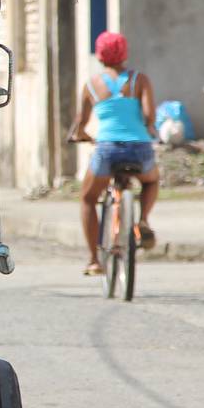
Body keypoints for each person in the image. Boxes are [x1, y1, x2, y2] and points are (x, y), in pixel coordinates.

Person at [70, 30, 160, 276]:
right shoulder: (139, 79)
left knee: (89, 198)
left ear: (100, 56)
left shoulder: (91, 85)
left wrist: (82, 136)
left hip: (107, 148)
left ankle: (93, 260)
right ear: (124, 53)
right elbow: (150, 115)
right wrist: (149, 128)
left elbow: (81, 122)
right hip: (140, 147)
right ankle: (143, 220)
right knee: (151, 181)